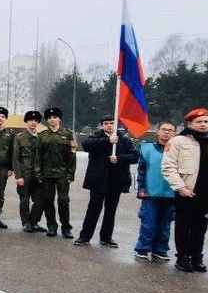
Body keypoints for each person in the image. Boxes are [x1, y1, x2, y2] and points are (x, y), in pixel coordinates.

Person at [161, 108, 208, 273]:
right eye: (199, 122)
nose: (203, 124)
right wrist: (180, 187)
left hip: (207, 192)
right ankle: (182, 257)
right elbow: (168, 167)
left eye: (206, 121)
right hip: (187, 191)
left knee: (200, 226)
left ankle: (197, 256)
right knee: (184, 225)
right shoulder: (177, 141)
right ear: (190, 123)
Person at [74, 117, 138, 247]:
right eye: (106, 123)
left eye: (112, 123)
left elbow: (134, 156)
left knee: (111, 211)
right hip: (98, 180)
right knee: (93, 209)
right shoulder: (96, 137)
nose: (109, 126)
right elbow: (86, 145)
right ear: (101, 125)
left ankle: (106, 237)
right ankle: (85, 236)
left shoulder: (124, 140)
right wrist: (107, 141)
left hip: (116, 180)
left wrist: (119, 158)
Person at [134, 120, 178, 260]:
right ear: (158, 131)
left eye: (170, 130)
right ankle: (143, 248)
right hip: (150, 193)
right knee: (149, 222)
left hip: (171, 193)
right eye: (164, 129)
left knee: (165, 224)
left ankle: (160, 249)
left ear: (175, 133)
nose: (166, 133)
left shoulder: (178, 151)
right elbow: (141, 171)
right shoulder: (147, 149)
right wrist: (141, 188)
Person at [31, 107, 77, 238]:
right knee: (48, 201)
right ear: (47, 120)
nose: (52, 120)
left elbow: (72, 155)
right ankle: (51, 226)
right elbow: (38, 156)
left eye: (55, 117)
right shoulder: (42, 135)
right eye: (50, 118)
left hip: (62, 174)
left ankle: (66, 228)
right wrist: (38, 173)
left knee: (63, 201)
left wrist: (71, 173)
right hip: (47, 174)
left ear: (59, 119)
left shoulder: (68, 134)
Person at [13, 111, 46, 233]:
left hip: (38, 175)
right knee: (24, 200)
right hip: (25, 174)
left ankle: (34, 222)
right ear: (26, 122)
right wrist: (18, 176)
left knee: (40, 200)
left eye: (36, 121)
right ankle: (26, 223)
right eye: (31, 120)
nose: (33, 122)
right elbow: (15, 158)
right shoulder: (19, 137)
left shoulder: (41, 138)